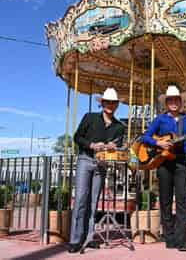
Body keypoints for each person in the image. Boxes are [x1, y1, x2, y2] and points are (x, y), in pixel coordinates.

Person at [141, 85, 186, 252]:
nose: (174, 102)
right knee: (165, 200)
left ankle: (181, 239)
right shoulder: (159, 119)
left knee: (182, 200)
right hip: (164, 163)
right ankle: (169, 236)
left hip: (182, 162)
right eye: (171, 100)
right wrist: (158, 142)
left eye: (177, 100)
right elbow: (145, 136)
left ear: (181, 102)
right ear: (166, 102)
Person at [68, 88, 125, 253]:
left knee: (93, 202)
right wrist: (92, 145)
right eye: (107, 102)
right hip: (86, 159)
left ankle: (89, 237)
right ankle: (75, 239)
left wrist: (113, 147)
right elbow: (77, 137)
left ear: (116, 105)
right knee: (80, 199)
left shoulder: (119, 127)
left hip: (101, 164)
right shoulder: (90, 117)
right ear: (102, 103)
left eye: (113, 103)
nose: (110, 105)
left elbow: (117, 147)